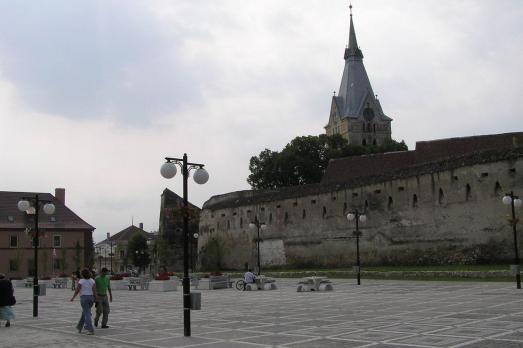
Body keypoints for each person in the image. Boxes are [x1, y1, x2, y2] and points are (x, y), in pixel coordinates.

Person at [70, 268, 97, 335]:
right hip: (91, 298)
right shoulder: (92, 281)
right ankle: (79, 327)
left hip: (84, 298)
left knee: (87, 314)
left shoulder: (81, 281)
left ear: (82, 274)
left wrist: (73, 297)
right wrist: (96, 298)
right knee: (85, 313)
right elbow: (94, 291)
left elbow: (77, 290)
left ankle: (90, 330)